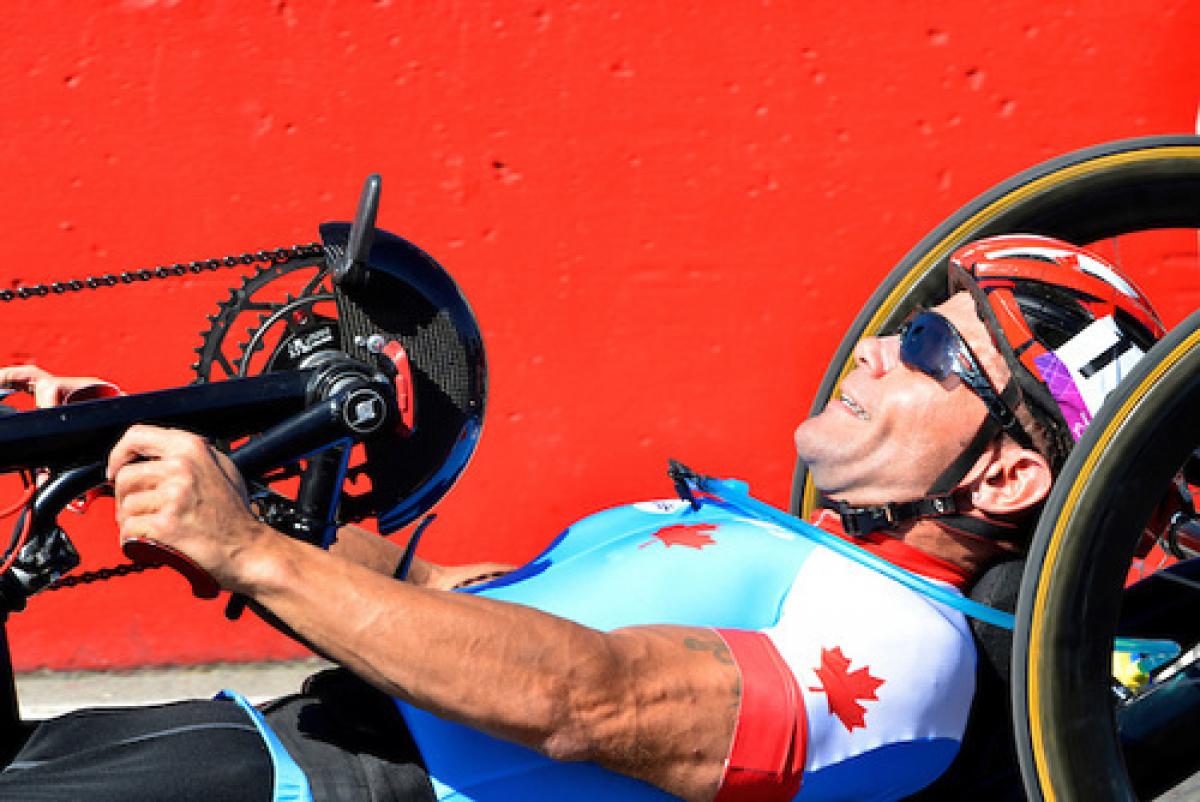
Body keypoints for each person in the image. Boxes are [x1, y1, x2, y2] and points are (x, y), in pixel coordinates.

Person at [0, 234, 1166, 802]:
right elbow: (443, 607)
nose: (871, 343)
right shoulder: (773, 546)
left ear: (1008, 479)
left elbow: (584, 701)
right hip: (245, 738)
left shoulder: (912, 651)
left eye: (924, 348)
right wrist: (162, 452)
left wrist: (248, 549)